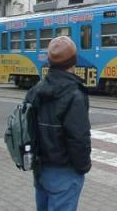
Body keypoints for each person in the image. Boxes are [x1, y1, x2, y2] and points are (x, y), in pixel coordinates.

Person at [25, 36, 91, 211]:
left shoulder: (35, 90)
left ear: (49, 61)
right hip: (65, 171)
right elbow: (79, 138)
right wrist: (83, 167)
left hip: (40, 169)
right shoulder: (74, 95)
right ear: (74, 61)